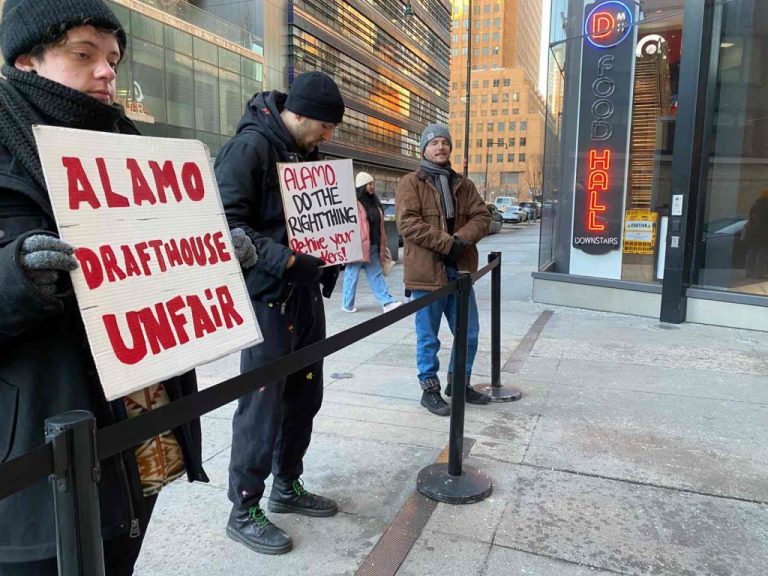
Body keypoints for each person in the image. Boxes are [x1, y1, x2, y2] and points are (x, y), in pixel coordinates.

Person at [0, 1, 260, 573]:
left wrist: (221, 257)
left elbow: (161, 262)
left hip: (140, 437)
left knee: (120, 553)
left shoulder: (133, 147)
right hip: (37, 448)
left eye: (113, 59)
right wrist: (18, 276)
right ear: (26, 60)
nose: (106, 72)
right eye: (83, 54)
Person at [215, 70, 345, 556]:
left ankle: (287, 483)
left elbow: (317, 221)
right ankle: (243, 507)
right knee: (262, 406)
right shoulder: (248, 148)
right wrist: (286, 261)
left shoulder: (307, 155)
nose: (328, 136)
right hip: (268, 298)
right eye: (326, 126)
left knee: (305, 397)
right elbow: (224, 226)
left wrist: (332, 254)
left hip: (305, 296)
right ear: (302, 115)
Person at [395, 124, 492, 416]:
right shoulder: (410, 183)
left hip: (460, 272)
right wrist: (448, 244)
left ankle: (459, 382)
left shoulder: (463, 184)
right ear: (424, 149)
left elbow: (482, 216)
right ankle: (430, 390)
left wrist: (461, 240)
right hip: (426, 275)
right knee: (428, 338)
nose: (440, 147)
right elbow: (408, 223)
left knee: (469, 333)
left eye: (444, 142)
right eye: (434, 142)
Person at [341, 172, 401, 313]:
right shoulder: (353, 204)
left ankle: (387, 302)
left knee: (376, 275)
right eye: (369, 184)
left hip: (373, 246)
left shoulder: (375, 203)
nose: (372, 186)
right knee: (352, 275)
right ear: (362, 186)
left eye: (372, 183)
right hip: (358, 247)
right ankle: (347, 304)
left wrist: (382, 243)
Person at [744, 188, 768, 279]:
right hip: (763, 233)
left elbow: (751, 218)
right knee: (762, 252)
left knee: (752, 251)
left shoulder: (755, 205)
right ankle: (759, 273)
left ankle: (749, 272)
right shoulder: (766, 205)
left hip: (753, 233)